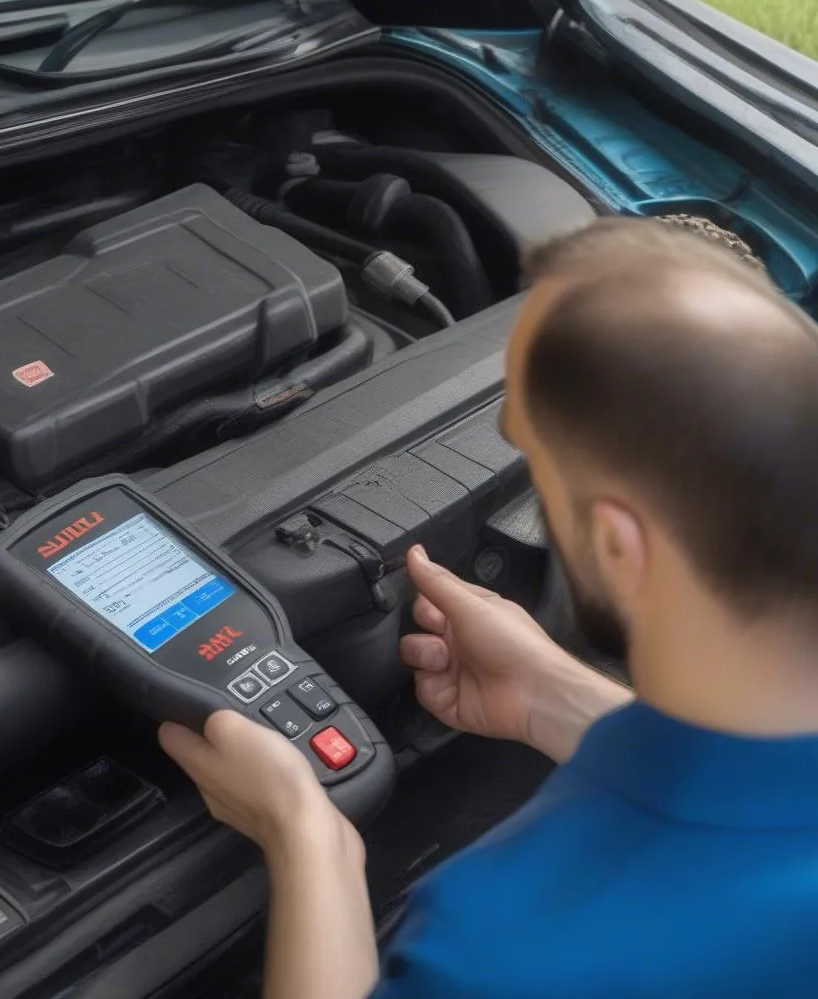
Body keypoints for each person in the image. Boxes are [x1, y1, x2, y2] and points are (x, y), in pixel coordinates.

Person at [159, 217, 818, 998]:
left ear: (617, 546)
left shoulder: (511, 954)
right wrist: (553, 697)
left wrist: (308, 838)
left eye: (532, 457)